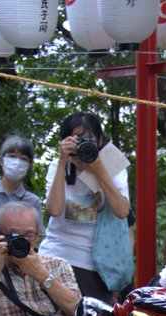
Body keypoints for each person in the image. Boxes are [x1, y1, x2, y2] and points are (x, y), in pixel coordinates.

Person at [43, 112, 131, 302]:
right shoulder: (58, 166)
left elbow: (122, 211)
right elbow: (54, 210)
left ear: (99, 141)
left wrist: (99, 170)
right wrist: (62, 162)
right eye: (76, 139)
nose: (83, 144)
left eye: (88, 139)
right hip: (57, 255)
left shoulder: (112, 166)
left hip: (95, 264)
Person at [0, 134, 43, 231]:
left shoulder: (33, 201)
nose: (17, 162)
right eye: (12, 156)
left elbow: (36, 235)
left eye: (23, 159)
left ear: (29, 165)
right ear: (1, 160)